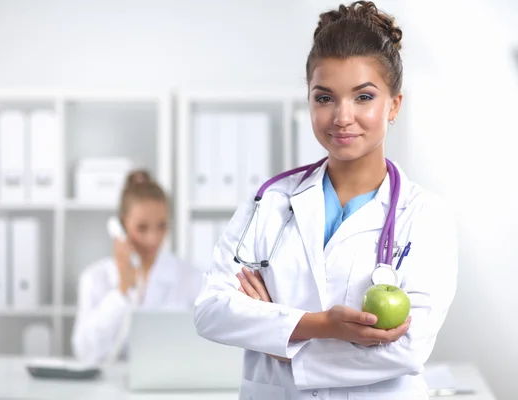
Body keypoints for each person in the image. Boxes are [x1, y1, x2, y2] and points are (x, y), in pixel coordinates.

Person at [193, 2, 458, 399]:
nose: (342, 116)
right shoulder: (270, 200)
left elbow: (406, 351)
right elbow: (211, 310)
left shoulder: (424, 216)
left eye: (363, 97)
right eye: (324, 98)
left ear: (394, 106)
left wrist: (283, 346)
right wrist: (320, 325)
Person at [72, 169, 203, 364]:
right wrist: (122, 291)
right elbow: (84, 352)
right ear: (121, 226)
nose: (153, 239)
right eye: (142, 228)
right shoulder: (95, 277)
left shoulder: (192, 278)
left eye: (162, 226)